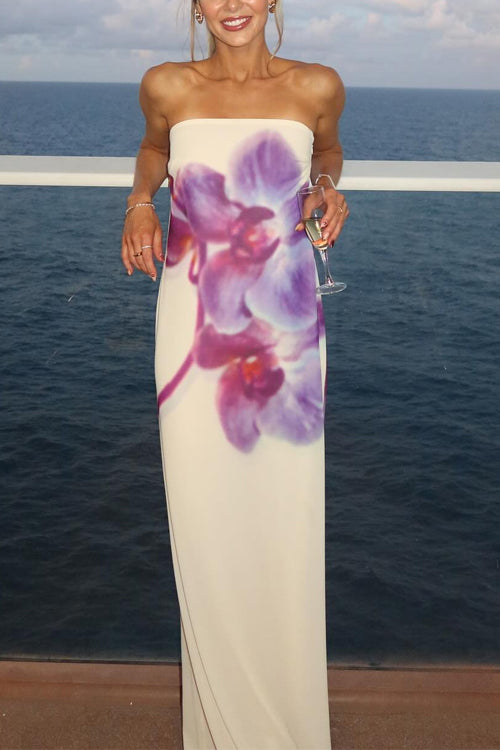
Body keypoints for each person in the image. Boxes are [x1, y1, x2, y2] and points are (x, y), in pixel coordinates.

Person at [121, 1, 349, 747]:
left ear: (274, 0)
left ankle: (287, 726)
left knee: (285, 519)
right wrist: (140, 202)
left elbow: (327, 152)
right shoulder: (167, 84)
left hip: (285, 333)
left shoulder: (316, 84)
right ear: (196, 5)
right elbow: (154, 150)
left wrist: (325, 188)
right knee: (202, 515)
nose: (232, 4)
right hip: (193, 322)